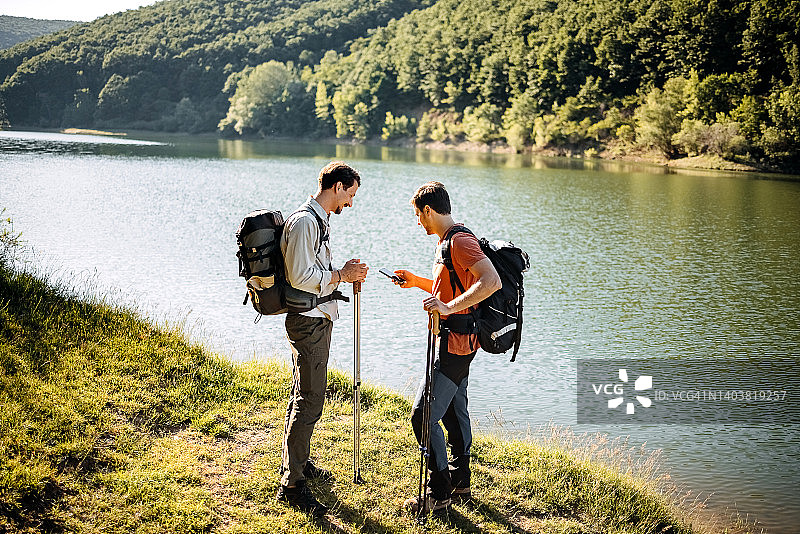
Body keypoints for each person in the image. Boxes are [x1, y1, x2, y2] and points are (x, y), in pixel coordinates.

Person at [394, 181, 501, 513]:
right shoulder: (448, 242)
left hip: (455, 345)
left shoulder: (460, 242)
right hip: (457, 341)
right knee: (454, 413)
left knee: (423, 417)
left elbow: (491, 280)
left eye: (418, 216)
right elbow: (452, 288)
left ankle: (438, 495)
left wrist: (449, 309)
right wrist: (416, 282)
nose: (417, 223)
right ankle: (460, 484)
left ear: (429, 210)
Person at [276, 161, 369, 517]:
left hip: (317, 318)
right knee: (310, 400)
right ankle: (293, 485)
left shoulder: (318, 220)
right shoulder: (304, 222)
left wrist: (342, 274)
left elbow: (314, 271)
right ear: (338, 186)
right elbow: (300, 277)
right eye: (351, 194)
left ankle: (298, 463)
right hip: (308, 322)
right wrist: (341, 274)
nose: (350, 203)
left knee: (305, 396)